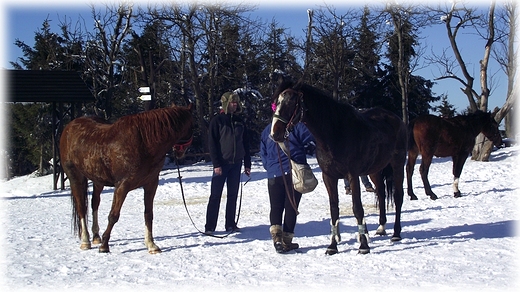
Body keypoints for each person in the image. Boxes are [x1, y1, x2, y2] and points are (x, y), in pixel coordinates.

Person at [260, 106, 315, 253]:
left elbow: (263, 154)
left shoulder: (266, 131)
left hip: (273, 175)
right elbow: (312, 135)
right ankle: (287, 241)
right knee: (291, 207)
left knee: (276, 207)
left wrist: (271, 168)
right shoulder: (294, 128)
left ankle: (277, 239)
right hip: (292, 173)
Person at [205, 92, 251, 235]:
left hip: (236, 164)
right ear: (225, 104)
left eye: (236, 102)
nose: (235, 105)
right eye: (232, 102)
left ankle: (230, 224)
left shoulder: (240, 121)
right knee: (215, 196)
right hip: (221, 165)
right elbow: (212, 144)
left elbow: (245, 143)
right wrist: (216, 164)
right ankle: (210, 227)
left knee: (233, 195)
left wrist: (247, 163)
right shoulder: (217, 120)